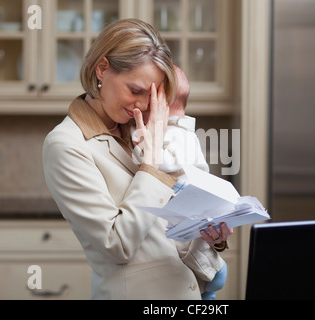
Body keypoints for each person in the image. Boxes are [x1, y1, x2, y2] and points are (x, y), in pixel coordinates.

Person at [42, 18, 232, 300]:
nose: (143, 105)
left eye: (153, 95)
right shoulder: (67, 145)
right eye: (135, 90)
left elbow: (171, 226)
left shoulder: (142, 128)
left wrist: (210, 237)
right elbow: (116, 244)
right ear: (102, 69)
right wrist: (151, 162)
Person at [133, 66, 228, 299]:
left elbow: (163, 163)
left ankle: (213, 279)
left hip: (193, 241)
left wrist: (142, 146)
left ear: (161, 106)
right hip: (189, 219)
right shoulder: (184, 133)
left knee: (197, 258)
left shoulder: (174, 134)